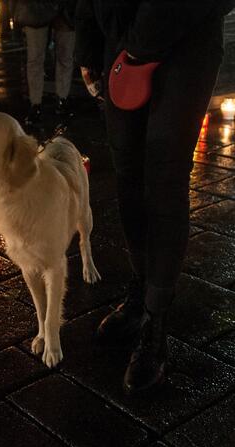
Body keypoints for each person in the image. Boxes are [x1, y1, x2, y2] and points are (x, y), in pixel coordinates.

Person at [75, 0, 228, 394]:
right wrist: (89, 46)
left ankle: (156, 324)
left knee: (164, 179)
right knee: (128, 177)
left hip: (183, 46)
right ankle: (141, 291)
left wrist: (141, 44)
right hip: (118, 43)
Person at [13, 0, 76, 126]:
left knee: (62, 56)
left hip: (63, 8)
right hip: (39, 7)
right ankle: (38, 103)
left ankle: (56, 100)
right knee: (38, 58)